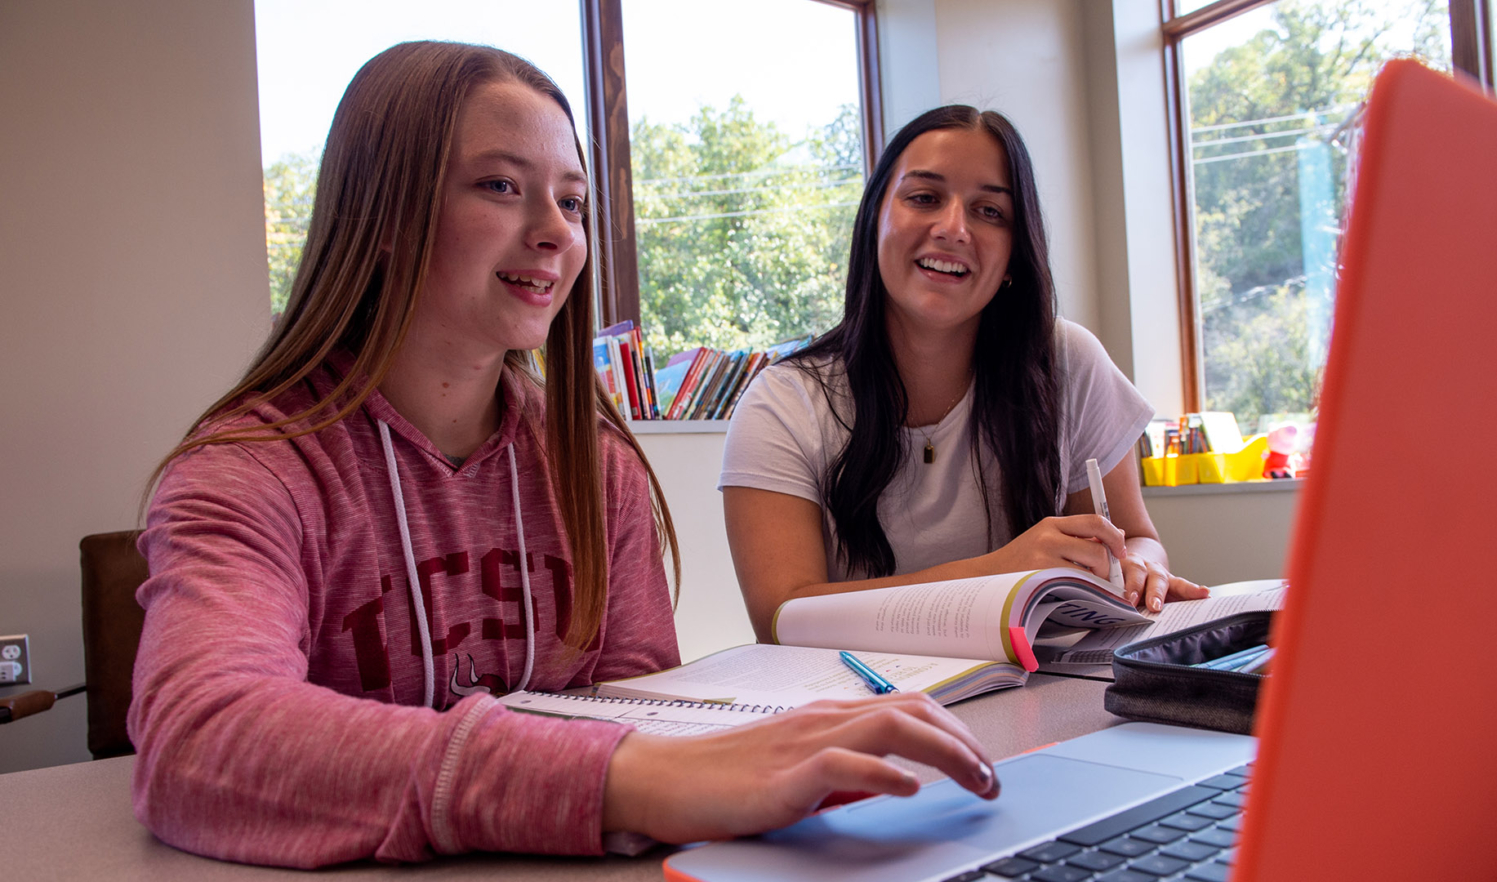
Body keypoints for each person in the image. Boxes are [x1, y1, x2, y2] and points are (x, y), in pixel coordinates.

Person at [129, 42, 998, 869]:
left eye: (573, 202)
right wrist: (623, 780)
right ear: (383, 215)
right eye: (502, 186)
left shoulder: (596, 465)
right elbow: (200, 740)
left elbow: (647, 711)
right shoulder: (247, 470)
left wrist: (703, 765)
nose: (556, 233)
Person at [721, 105, 1208, 641]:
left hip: (1049, 695)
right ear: (874, 219)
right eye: (924, 198)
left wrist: (1142, 567)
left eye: (990, 212)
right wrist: (999, 572)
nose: (953, 229)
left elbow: (1138, 538)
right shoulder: (782, 404)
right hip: (869, 709)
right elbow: (780, 618)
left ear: (1015, 254)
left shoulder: (1068, 360)